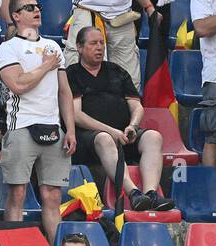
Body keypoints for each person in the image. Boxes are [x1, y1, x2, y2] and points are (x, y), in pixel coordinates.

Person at [67, 27, 173, 211]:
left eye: (101, 43)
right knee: (104, 138)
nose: (99, 47)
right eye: (93, 43)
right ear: (79, 47)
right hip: (89, 138)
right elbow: (77, 115)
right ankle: (133, 193)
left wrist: (132, 126)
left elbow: (137, 106)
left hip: (123, 134)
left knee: (153, 137)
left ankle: (151, 194)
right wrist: (111, 131)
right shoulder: (72, 73)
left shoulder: (117, 71)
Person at [0, 2, 74, 240]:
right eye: (29, 7)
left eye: (38, 6)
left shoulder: (53, 46)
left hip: (53, 127)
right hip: (21, 127)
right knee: (17, 193)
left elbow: (64, 91)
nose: (36, 10)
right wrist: (46, 66)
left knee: (52, 196)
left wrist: (69, 129)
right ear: (16, 16)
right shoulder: (8, 48)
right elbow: (18, 85)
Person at [63, 0, 151, 88]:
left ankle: (128, 101)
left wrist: (148, 7)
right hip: (86, 9)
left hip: (122, 13)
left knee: (129, 78)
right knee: (74, 75)